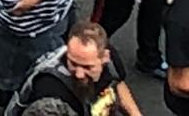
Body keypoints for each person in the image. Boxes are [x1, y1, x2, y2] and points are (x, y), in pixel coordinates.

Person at [7, 23, 144, 116]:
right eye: (73, 63)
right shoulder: (50, 96)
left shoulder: (110, 58)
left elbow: (117, 84)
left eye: (87, 67)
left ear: (105, 57)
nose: (79, 74)